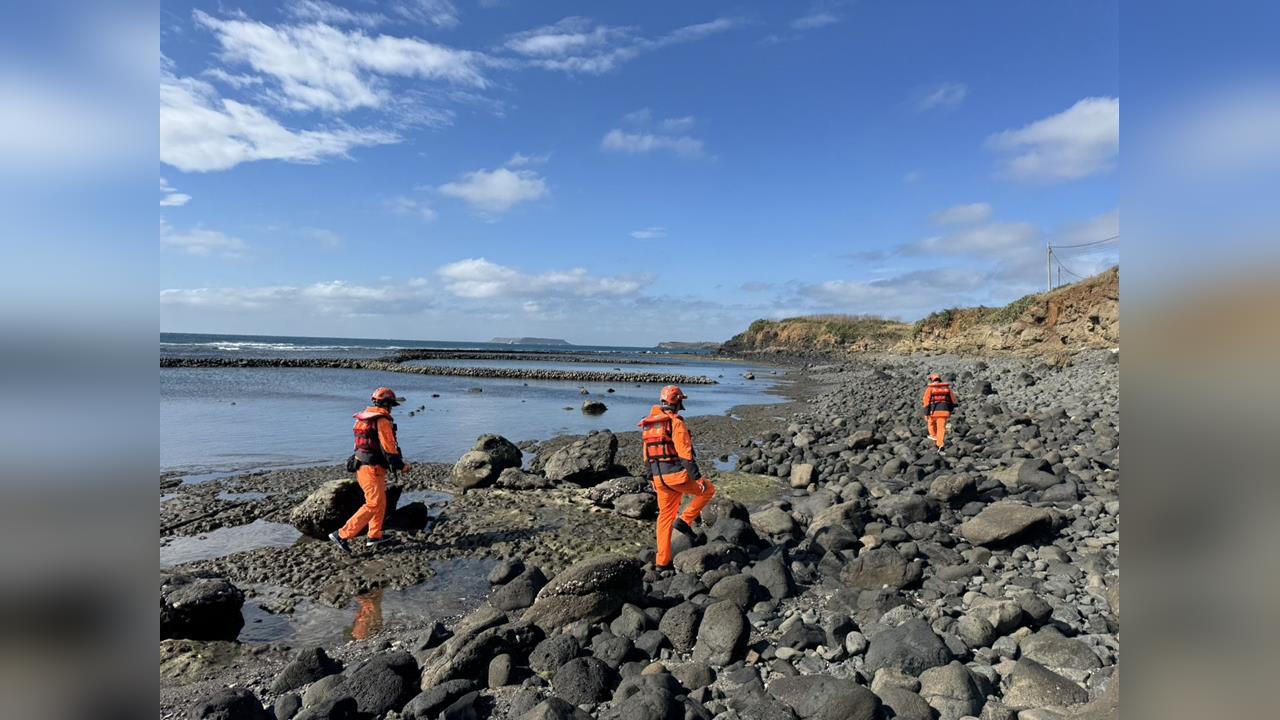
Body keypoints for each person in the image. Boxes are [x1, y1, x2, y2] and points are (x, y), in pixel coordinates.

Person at [638, 385, 715, 572]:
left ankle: (661, 562)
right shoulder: (676, 423)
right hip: (677, 477)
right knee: (708, 489)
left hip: (659, 479)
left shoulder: (649, 424)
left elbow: (647, 456)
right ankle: (685, 520)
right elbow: (685, 454)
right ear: (678, 401)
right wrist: (696, 478)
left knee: (664, 518)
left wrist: (651, 478)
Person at [330, 387, 410, 554]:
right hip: (371, 469)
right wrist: (401, 466)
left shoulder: (363, 418)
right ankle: (342, 534)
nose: (391, 409)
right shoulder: (382, 421)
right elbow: (389, 449)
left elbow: (360, 445)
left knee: (380, 502)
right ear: (387, 404)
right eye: (391, 405)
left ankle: (374, 537)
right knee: (373, 504)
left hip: (363, 466)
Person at [921, 372, 958, 449]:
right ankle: (940, 444)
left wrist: (926, 413)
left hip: (933, 412)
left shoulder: (930, 389)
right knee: (941, 428)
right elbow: (953, 400)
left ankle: (934, 436)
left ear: (932, 380)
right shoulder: (947, 388)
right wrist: (950, 410)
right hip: (944, 411)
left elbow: (926, 402)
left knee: (931, 424)